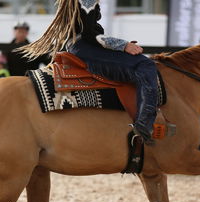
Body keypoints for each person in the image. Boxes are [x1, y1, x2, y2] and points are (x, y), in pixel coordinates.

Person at [21, 0, 159, 144]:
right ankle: (145, 123)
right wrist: (123, 45)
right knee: (146, 64)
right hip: (86, 47)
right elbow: (88, 33)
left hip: (81, 46)